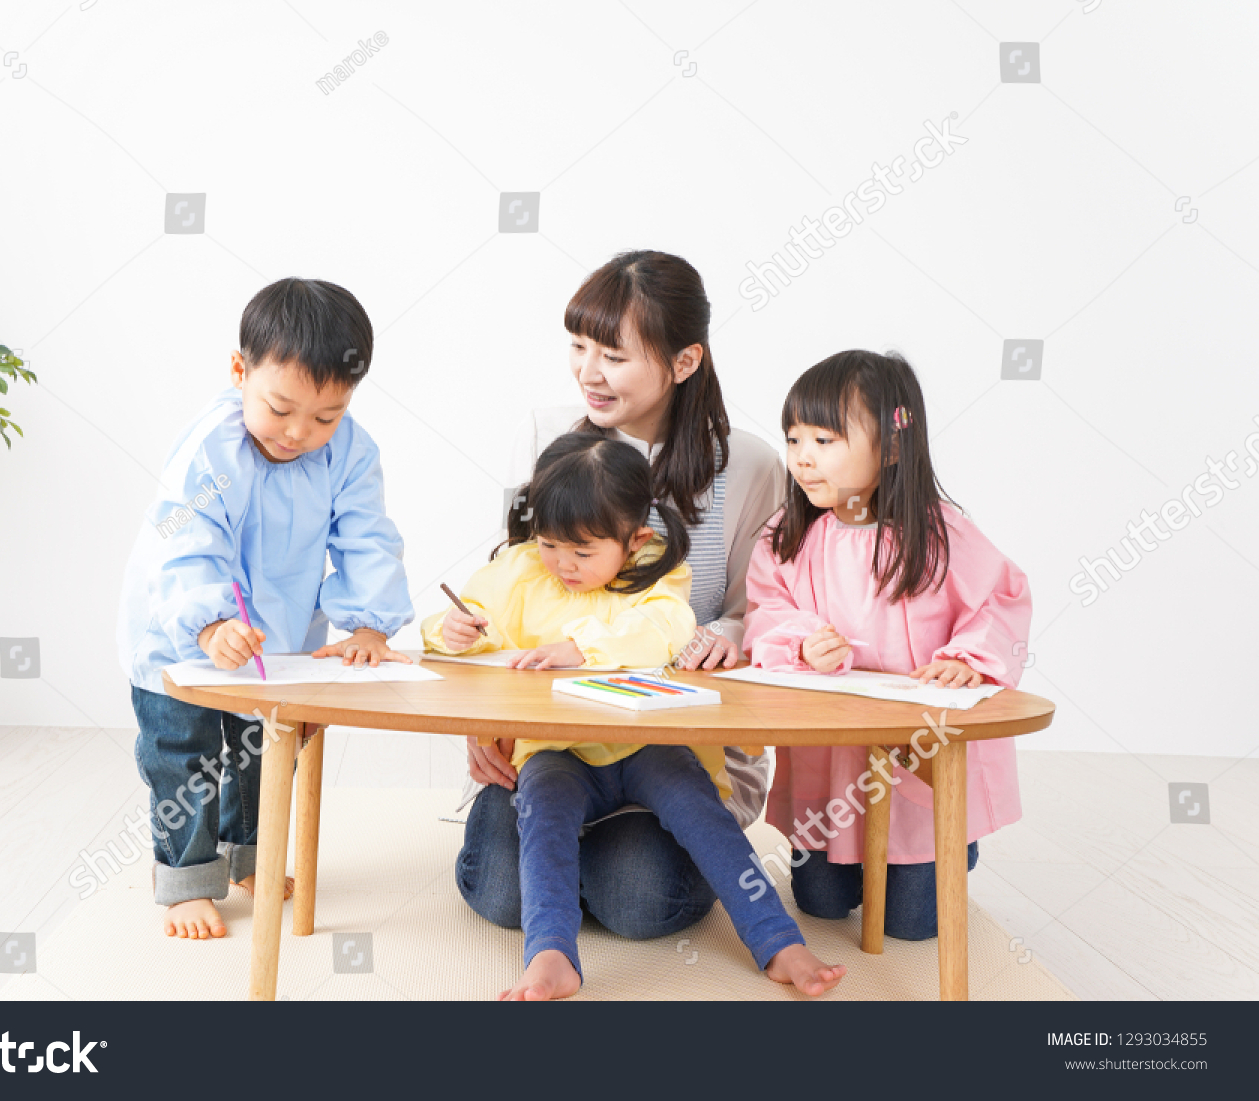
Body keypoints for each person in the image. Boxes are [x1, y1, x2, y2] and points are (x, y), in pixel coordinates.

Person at [423, 432, 845, 999]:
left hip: (648, 749)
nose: (563, 565)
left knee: (701, 812)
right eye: (551, 545)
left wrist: (580, 647)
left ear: (635, 537)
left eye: (584, 551)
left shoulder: (657, 569)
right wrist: (449, 632)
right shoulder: (521, 569)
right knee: (543, 816)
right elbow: (460, 631)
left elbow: (665, 630)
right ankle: (551, 953)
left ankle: (778, 941)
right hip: (556, 751)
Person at [458, 249, 787, 941]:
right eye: (578, 346)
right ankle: (561, 848)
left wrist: (729, 633)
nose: (587, 371)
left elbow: (763, 607)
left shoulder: (750, 464)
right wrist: (480, 719)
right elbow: (506, 598)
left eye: (613, 354)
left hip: (677, 747)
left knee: (639, 903)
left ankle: (605, 852)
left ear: (684, 361)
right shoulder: (550, 435)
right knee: (501, 898)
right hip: (551, 740)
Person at [116, 278, 414, 940]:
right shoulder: (212, 448)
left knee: (265, 750)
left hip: (275, 639)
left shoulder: (350, 452)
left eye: (326, 415)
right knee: (184, 753)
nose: (299, 432)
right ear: (239, 371)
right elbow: (186, 540)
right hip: (180, 632)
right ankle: (187, 879)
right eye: (280, 408)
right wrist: (210, 622)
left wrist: (369, 621)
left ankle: (252, 856)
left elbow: (367, 536)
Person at [745, 349, 1032, 939]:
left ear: (893, 445)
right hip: (832, 764)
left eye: (825, 439)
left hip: (914, 756)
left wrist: (966, 660)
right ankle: (840, 856)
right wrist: (803, 646)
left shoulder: (939, 533)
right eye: (794, 438)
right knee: (821, 904)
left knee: (912, 926)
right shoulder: (787, 537)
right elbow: (766, 612)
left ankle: (955, 844)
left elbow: (1001, 600)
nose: (802, 457)